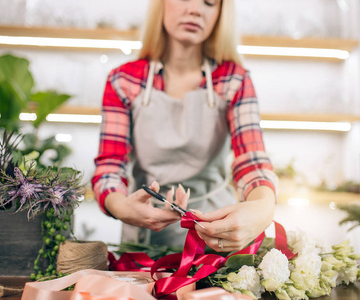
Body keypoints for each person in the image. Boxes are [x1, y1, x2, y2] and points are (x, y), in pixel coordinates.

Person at [91, 0, 277, 252]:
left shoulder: (234, 80)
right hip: (142, 244)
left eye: (210, 2)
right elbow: (110, 166)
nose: (196, 9)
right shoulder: (123, 81)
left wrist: (262, 208)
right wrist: (121, 207)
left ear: (220, 14)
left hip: (216, 240)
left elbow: (251, 161)